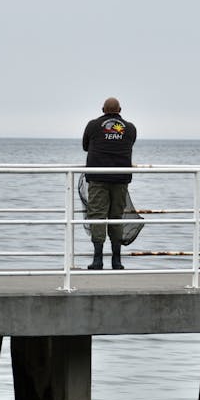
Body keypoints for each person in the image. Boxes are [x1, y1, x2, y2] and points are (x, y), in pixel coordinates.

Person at [82, 97, 137, 270]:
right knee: (116, 217)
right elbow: (130, 143)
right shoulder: (130, 128)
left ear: (102, 109)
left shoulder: (92, 125)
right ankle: (117, 260)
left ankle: (98, 259)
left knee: (97, 216)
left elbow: (85, 146)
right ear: (120, 110)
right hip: (120, 179)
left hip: (98, 178)